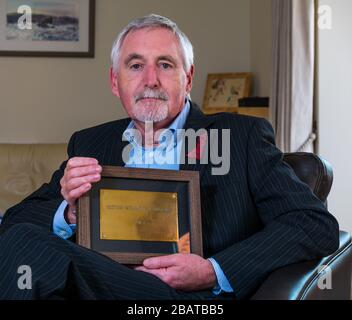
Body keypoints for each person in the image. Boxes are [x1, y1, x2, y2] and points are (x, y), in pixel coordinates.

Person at [0, 14, 339, 300]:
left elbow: (313, 224)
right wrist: (70, 212)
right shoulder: (92, 142)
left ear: (187, 77)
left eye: (165, 64)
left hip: (186, 299)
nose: (150, 80)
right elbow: (16, 221)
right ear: (115, 82)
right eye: (135, 66)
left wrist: (212, 271)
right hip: (99, 285)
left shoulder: (239, 138)